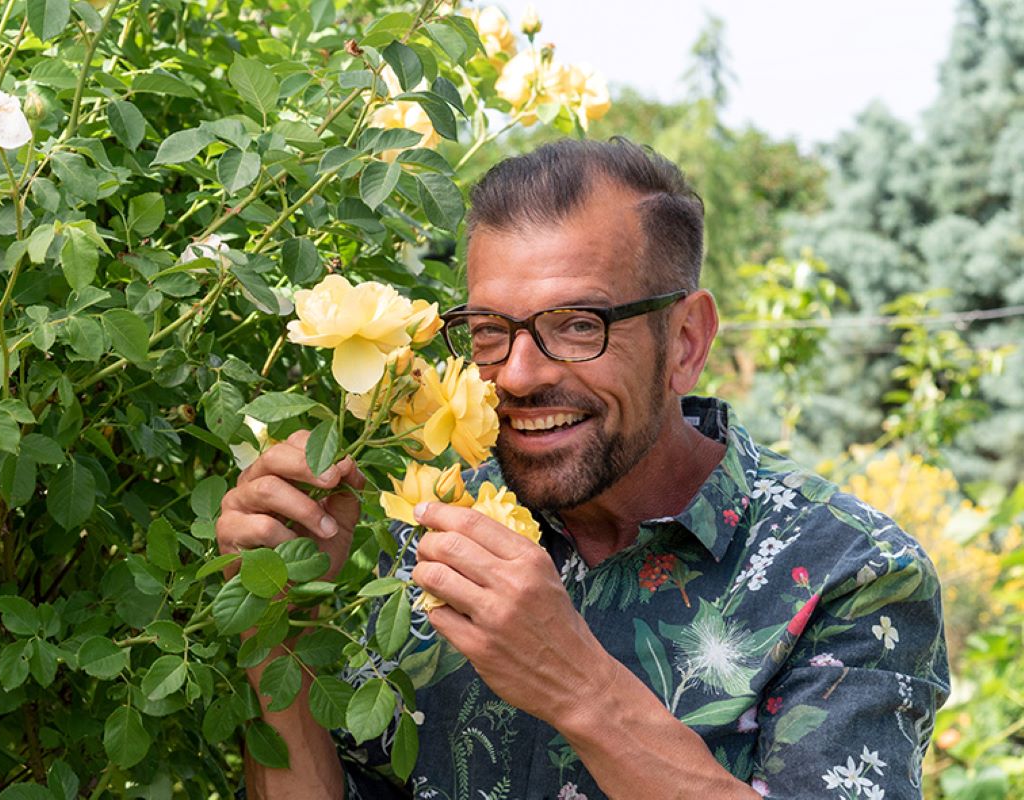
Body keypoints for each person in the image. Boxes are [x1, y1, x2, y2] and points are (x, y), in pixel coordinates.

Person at [216, 137, 949, 799]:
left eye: (578, 326)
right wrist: (276, 625)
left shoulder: (849, 573)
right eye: (489, 331)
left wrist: (578, 686)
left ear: (687, 340)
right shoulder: (415, 523)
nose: (519, 375)